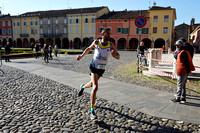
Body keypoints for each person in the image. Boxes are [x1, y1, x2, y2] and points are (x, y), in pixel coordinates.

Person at [76, 28, 120, 120]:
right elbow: (88, 49)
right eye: (107, 33)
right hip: (93, 66)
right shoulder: (96, 42)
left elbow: (118, 56)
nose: (109, 35)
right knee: (95, 87)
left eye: (109, 33)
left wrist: (115, 55)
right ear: (102, 34)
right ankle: (92, 111)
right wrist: (81, 56)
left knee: (92, 84)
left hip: (101, 68)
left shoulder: (111, 44)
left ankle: (83, 87)